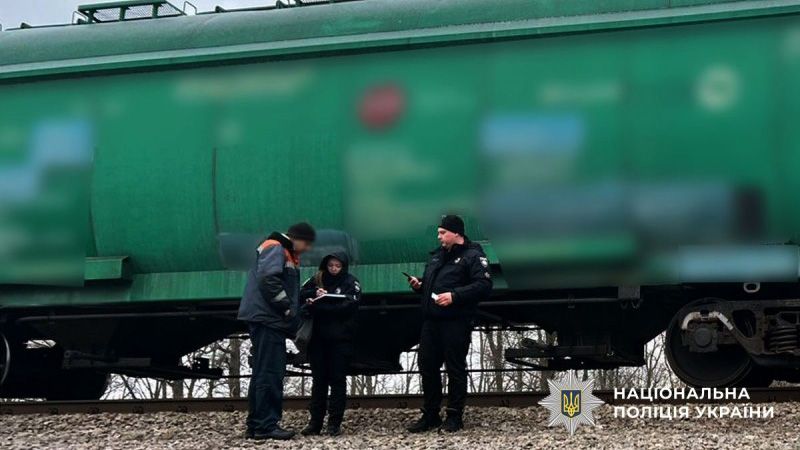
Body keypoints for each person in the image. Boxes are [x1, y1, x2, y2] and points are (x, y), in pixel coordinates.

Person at [406, 215, 493, 433]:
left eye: (442, 232)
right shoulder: (437, 257)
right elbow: (433, 283)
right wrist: (420, 285)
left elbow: (484, 284)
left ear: (457, 233)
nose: (439, 237)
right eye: (438, 233)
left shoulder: (473, 256)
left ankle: (454, 416)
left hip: (456, 321)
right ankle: (431, 414)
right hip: (431, 321)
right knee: (427, 367)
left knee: (454, 367)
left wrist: (455, 296)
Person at [237, 222, 316, 441]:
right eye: (307, 244)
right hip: (269, 319)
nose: (307, 249)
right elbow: (269, 279)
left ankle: (256, 425)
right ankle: (265, 425)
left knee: (263, 371)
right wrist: (287, 308)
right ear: (297, 238)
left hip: (266, 318)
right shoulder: (276, 247)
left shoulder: (280, 249)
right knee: (270, 372)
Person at [298, 252, 361, 436]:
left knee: (337, 381)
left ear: (343, 266)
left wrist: (324, 304)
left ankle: (334, 423)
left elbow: (351, 304)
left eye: (337, 266)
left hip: (341, 340)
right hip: (318, 339)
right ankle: (315, 422)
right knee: (318, 381)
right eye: (331, 265)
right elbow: (301, 294)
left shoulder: (350, 282)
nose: (334, 269)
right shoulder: (317, 279)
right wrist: (315, 295)